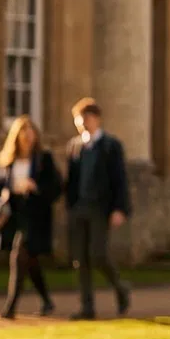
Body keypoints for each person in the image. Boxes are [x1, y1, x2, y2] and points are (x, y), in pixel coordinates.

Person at [64, 97, 132, 319]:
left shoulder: (111, 146)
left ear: (96, 119)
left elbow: (119, 179)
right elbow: (72, 181)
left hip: (101, 208)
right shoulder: (75, 146)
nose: (82, 123)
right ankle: (87, 307)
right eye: (78, 120)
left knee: (98, 255)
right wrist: (70, 206)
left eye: (85, 118)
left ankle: (121, 288)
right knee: (80, 259)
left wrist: (120, 208)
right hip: (79, 208)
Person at [0, 115, 62, 319]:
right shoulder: (7, 161)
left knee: (19, 255)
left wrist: (35, 187)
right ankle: (47, 300)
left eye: (31, 132)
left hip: (35, 216)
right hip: (14, 215)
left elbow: (57, 187)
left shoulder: (43, 160)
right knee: (29, 262)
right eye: (24, 131)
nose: (28, 136)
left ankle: (10, 307)